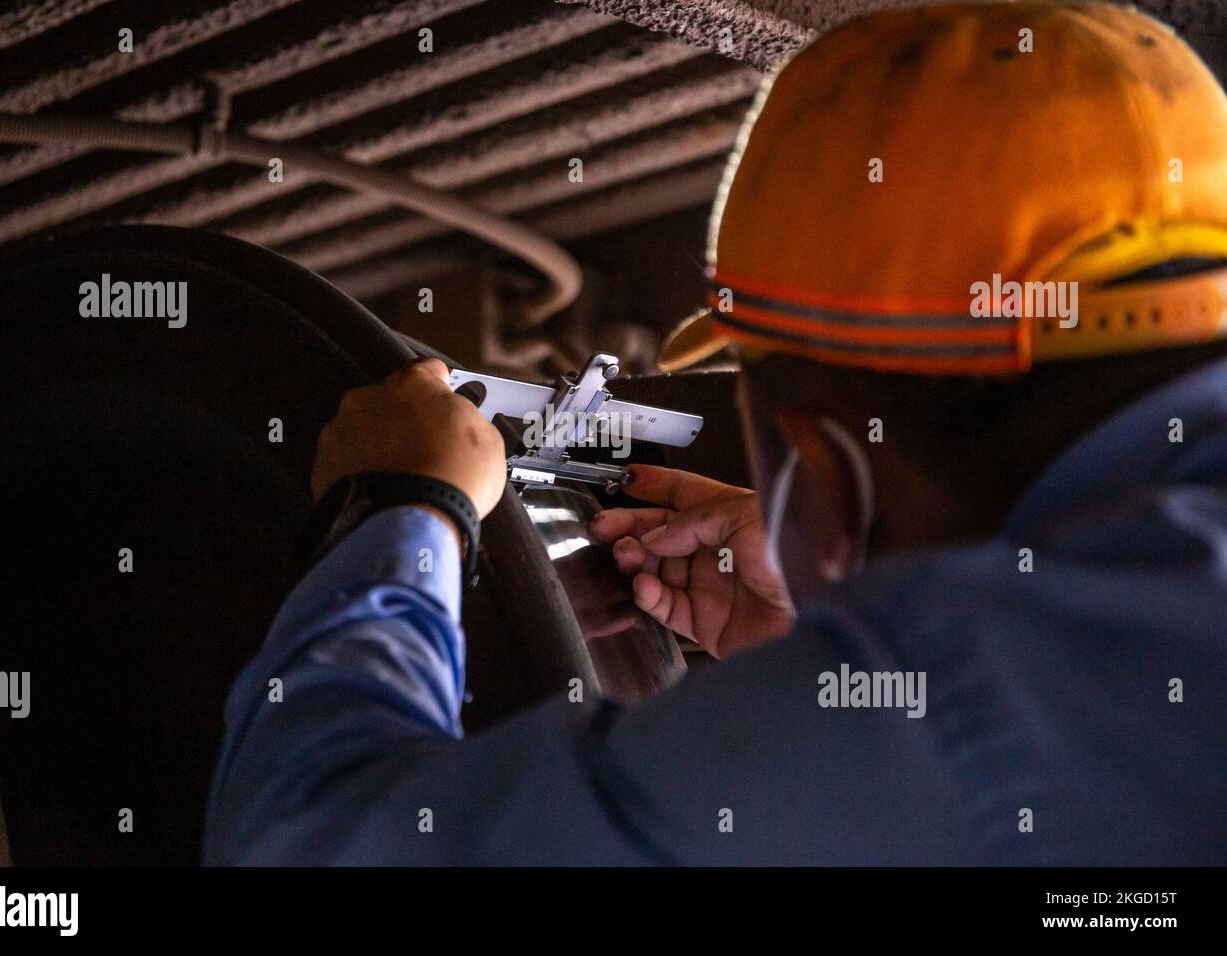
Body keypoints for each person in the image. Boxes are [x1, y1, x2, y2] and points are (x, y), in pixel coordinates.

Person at [203, 1, 1227, 864]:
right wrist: (813, 680)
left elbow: (309, 841)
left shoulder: (980, 681)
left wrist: (398, 506)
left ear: (829, 476)